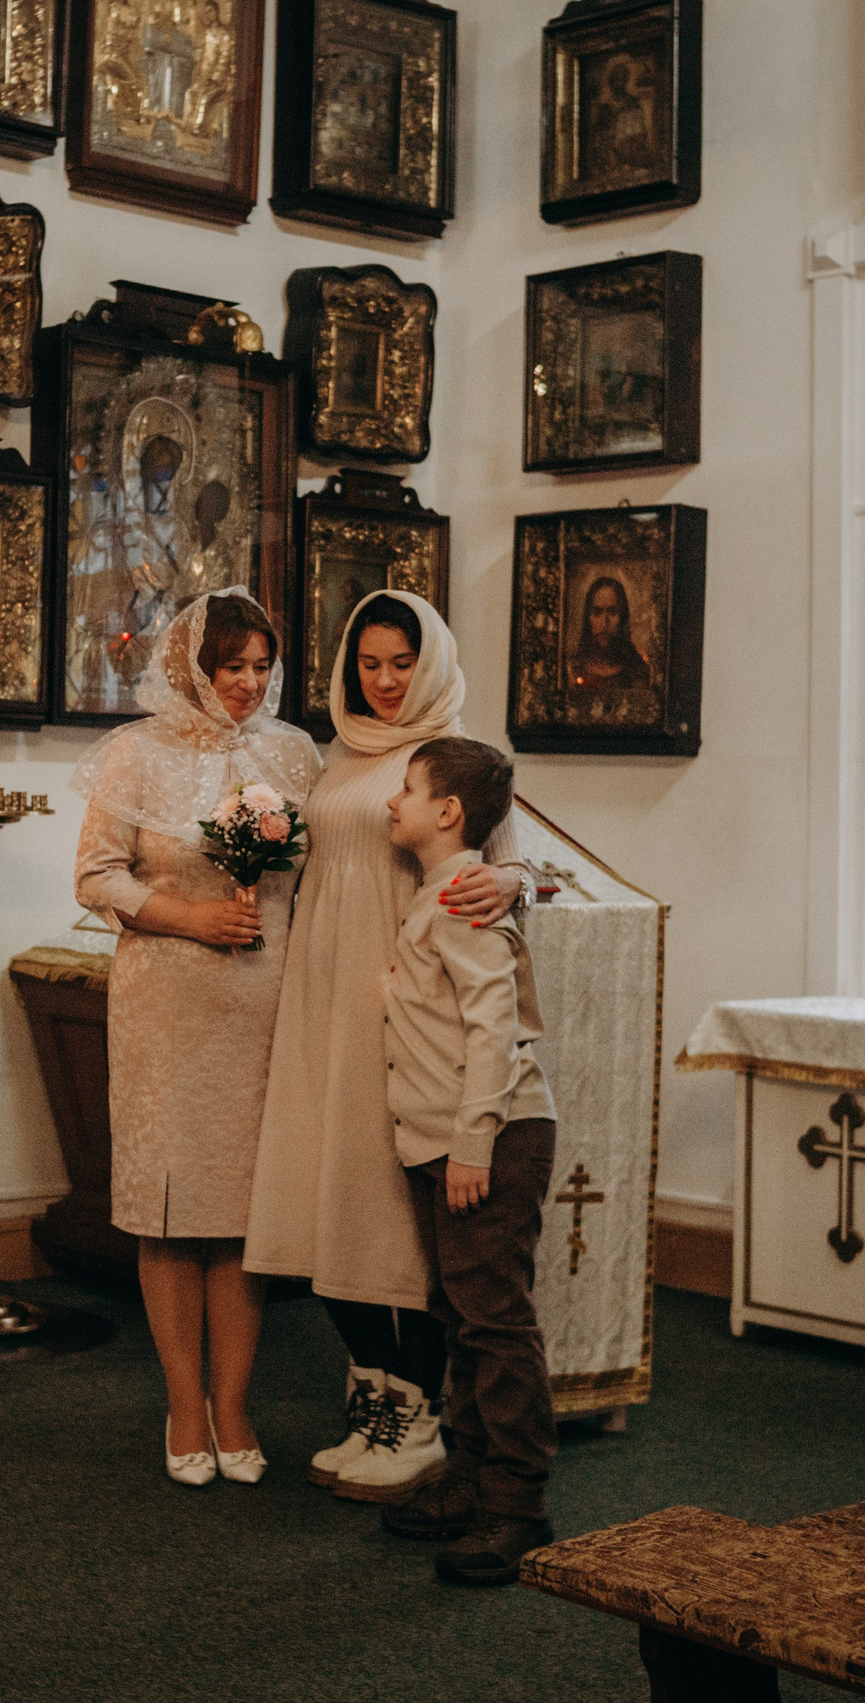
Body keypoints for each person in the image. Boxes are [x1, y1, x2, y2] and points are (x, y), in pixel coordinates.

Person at [243, 589, 530, 1505]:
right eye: (368, 663)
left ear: (431, 659)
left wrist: (516, 882)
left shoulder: (453, 752)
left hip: (404, 997)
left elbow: (505, 861)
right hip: (321, 982)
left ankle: (416, 1406)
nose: (386, 680)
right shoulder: (340, 751)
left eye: (402, 662)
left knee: (386, 1202)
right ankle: (374, 1389)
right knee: (320, 1185)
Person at [71, 589, 320, 1488]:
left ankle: (235, 1403)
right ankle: (184, 1405)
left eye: (262, 666)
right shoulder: (136, 753)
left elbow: (323, 875)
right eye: (231, 667)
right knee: (172, 1213)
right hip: (167, 1002)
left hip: (265, 1000)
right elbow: (96, 876)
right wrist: (190, 917)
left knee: (242, 1214)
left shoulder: (295, 753)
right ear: (192, 667)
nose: (249, 682)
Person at [378, 736, 560, 1586]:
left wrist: (473, 1141)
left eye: (408, 789)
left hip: (490, 1138)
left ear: (448, 811)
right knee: (460, 1315)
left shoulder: (462, 897)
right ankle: (470, 1477)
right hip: (447, 1139)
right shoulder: (437, 893)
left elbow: (496, 1026)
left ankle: (517, 1505)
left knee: (494, 1320)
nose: (393, 802)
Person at [569, 575, 652, 692]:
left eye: (612, 612)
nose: (604, 622)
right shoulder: (574, 668)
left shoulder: (637, 670)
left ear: (622, 617)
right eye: (597, 612)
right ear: (588, 618)